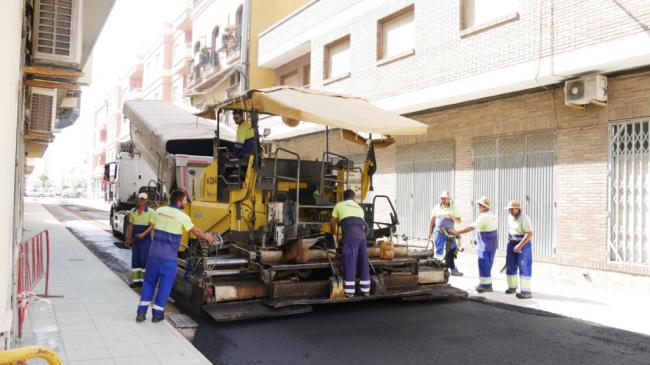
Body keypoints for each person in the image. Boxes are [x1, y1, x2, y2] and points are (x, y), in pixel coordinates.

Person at [136, 190, 217, 322]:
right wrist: (208, 237)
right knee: (164, 286)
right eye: (185, 200)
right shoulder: (182, 216)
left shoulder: (159, 211)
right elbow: (196, 231)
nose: (186, 202)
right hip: (168, 259)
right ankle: (157, 315)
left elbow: (153, 224)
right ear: (179, 202)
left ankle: (141, 313)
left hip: (153, 255)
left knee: (149, 283)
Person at [449, 196, 497, 293]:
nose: (478, 207)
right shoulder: (491, 214)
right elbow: (484, 228)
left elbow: (471, 227)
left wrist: (457, 232)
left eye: (479, 205)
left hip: (485, 245)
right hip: (491, 244)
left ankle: (486, 285)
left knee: (483, 264)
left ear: (483, 206)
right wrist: (476, 238)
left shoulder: (484, 216)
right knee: (487, 264)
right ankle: (484, 283)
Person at [329, 189, 370, 298]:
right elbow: (363, 225)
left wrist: (332, 234)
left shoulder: (339, 205)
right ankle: (365, 290)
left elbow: (332, 221)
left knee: (350, 262)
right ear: (353, 198)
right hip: (362, 237)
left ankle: (349, 292)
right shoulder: (359, 208)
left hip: (350, 237)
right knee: (363, 262)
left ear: (343, 197)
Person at [428, 191, 462, 276]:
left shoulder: (453, 208)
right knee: (439, 251)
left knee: (452, 250)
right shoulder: (436, 207)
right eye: (442, 198)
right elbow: (432, 220)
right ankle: (438, 269)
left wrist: (452, 217)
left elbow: (459, 221)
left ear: (449, 199)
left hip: (450, 233)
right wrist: (430, 232)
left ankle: (453, 270)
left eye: (444, 198)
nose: (442, 200)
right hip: (439, 232)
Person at [505, 200, 534, 299]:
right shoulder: (510, 216)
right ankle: (512, 288)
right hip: (512, 243)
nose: (511, 211)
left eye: (513, 209)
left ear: (518, 209)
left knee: (524, 265)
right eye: (509, 209)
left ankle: (526, 292)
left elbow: (529, 233)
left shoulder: (524, 218)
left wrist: (520, 245)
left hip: (523, 244)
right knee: (510, 265)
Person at [125, 192, 155, 287]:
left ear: (146, 201)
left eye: (143, 199)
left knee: (144, 259)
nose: (141, 201)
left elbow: (152, 225)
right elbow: (131, 226)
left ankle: (144, 281)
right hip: (136, 239)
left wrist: (143, 234)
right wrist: (128, 238)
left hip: (145, 239)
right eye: (140, 199)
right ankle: (136, 281)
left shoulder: (150, 211)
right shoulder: (133, 211)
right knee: (135, 258)